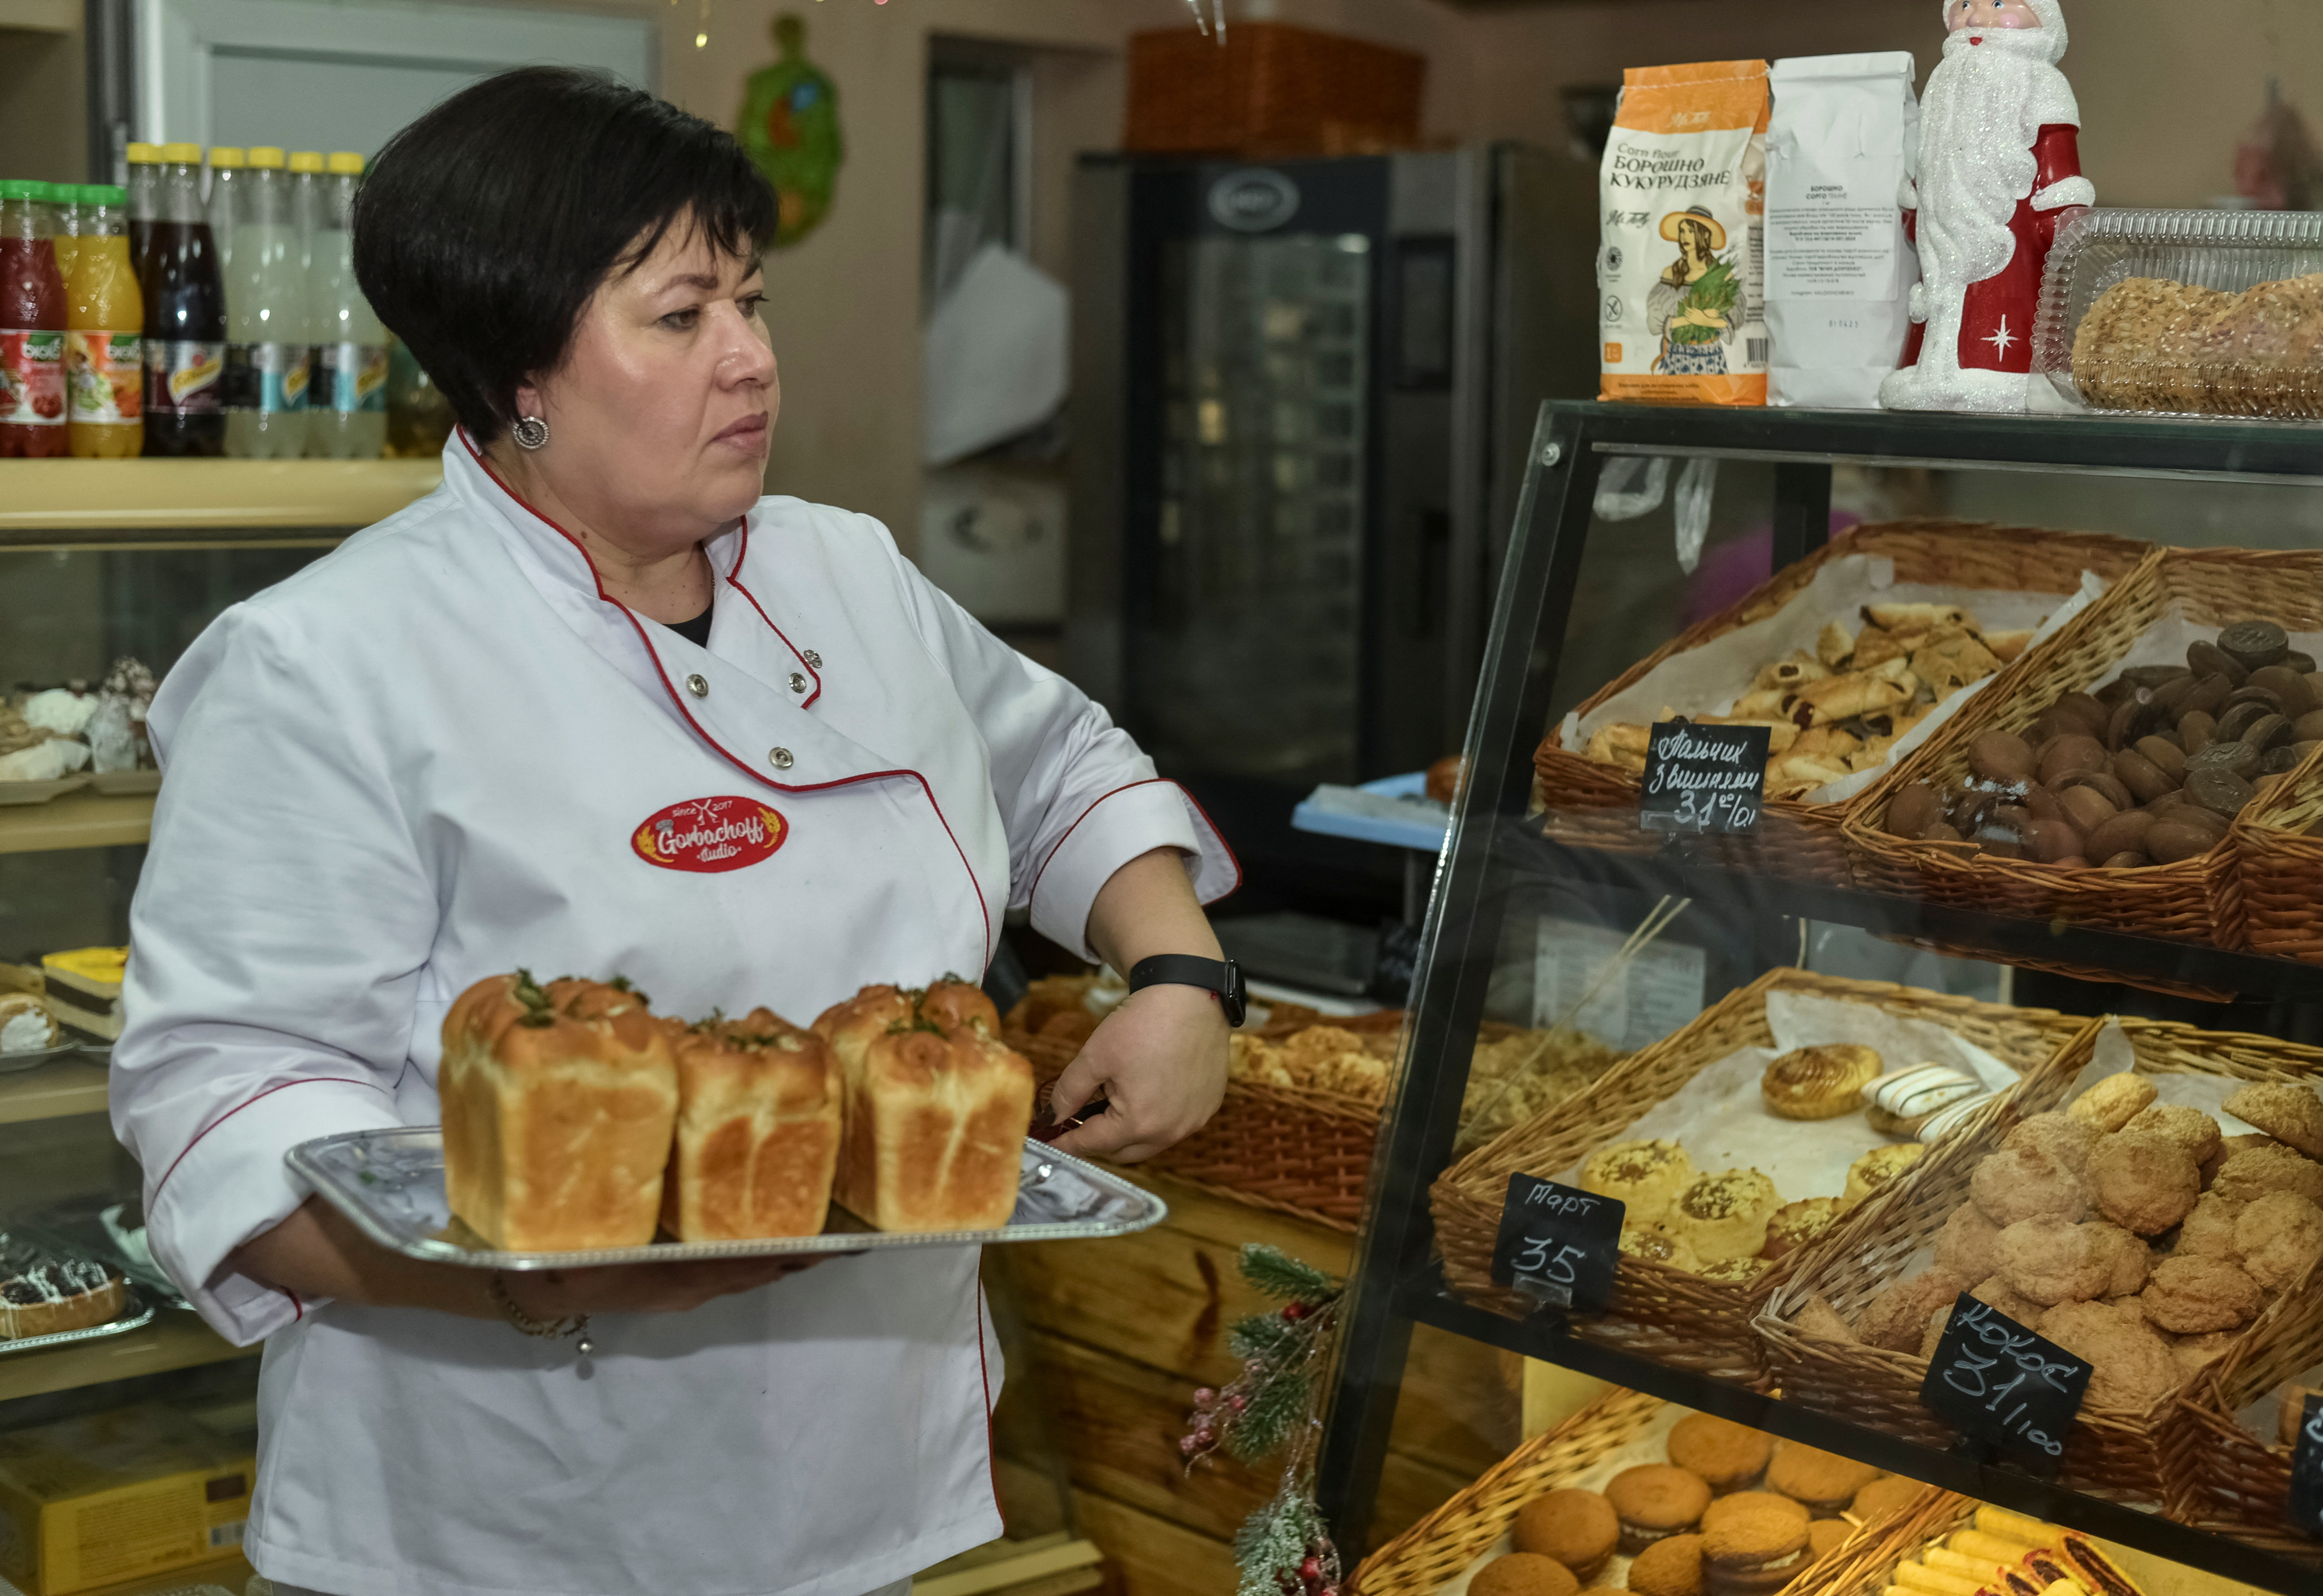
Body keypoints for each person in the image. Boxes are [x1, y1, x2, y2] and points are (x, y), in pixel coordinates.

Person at [109, 67, 1238, 1596]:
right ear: (520, 368)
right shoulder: (328, 660)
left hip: (870, 1461)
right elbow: (222, 1097)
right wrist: (545, 1276)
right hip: (516, 1507)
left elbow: (1061, 772)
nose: (753, 361)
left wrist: (1177, 974)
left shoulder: (847, 575)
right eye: (681, 316)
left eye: (753, 306)